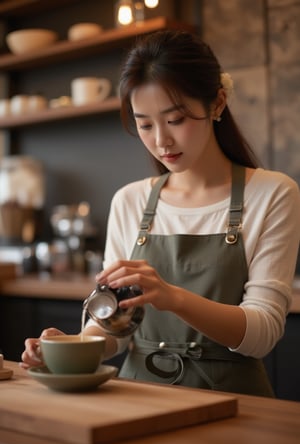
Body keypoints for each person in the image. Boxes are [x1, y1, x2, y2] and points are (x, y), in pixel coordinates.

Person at [21, 30, 300, 397]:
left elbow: (261, 334)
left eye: (176, 119)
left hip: (236, 403)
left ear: (216, 104)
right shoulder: (129, 201)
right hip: (142, 400)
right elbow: (115, 327)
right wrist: (72, 346)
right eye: (145, 124)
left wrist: (173, 297)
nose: (161, 141)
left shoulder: (272, 193)